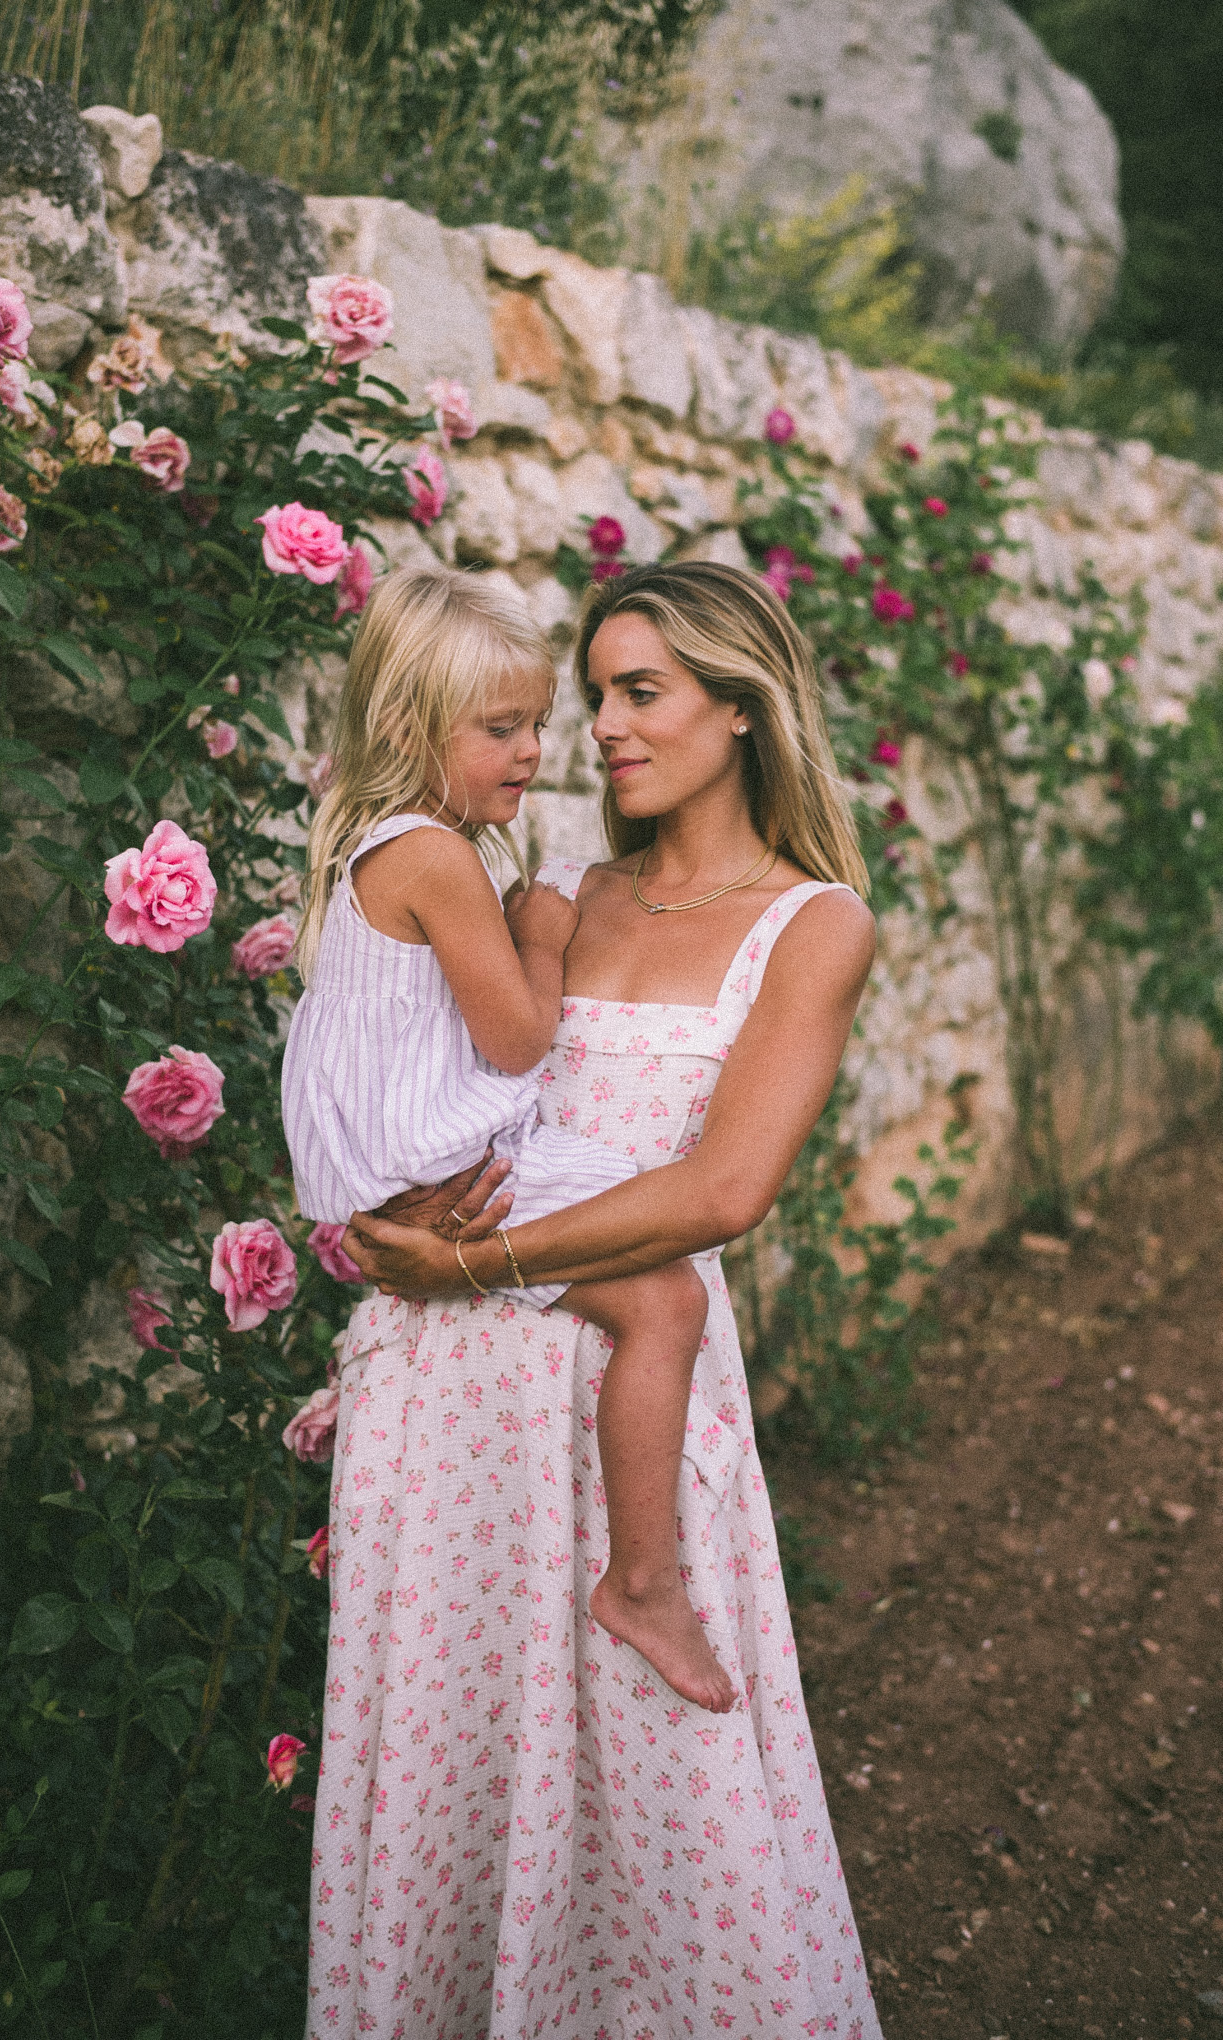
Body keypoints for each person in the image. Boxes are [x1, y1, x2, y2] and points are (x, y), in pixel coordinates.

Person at [309, 560, 882, 2040]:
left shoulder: (810, 925)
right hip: (447, 1390)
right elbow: (401, 1072)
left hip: (619, 1386)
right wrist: (395, 1217)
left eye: (644, 691)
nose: (605, 728)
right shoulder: (547, 892)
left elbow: (721, 1193)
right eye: (598, 694)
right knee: (451, 1765)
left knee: (659, 1787)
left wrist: (475, 1257)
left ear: (742, 710)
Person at [283, 566, 731, 1712]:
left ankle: (640, 1572)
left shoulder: (387, 846)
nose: (533, 750)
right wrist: (543, 930)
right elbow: (522, 1038)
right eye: (500, 728)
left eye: (538, 722)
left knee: (651, 1247)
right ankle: (642, 1583)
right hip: (444, 1184)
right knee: (667, 1299)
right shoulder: (431, 856)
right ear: (406, 726)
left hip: (423, 1179)